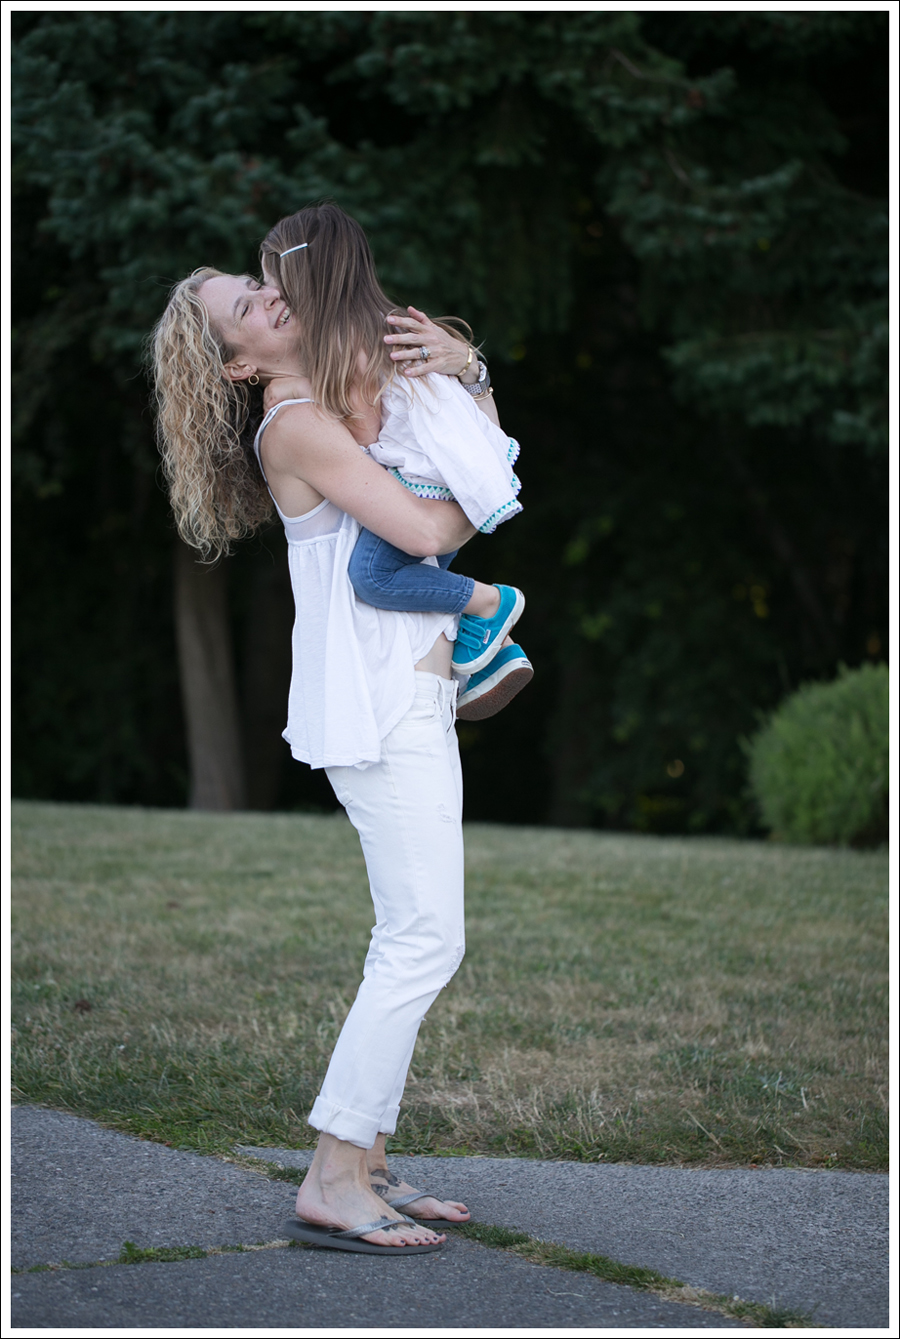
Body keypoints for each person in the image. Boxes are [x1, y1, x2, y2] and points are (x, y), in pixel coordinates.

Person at [151, 206, 522, 1254]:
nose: (270, 294)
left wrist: (466, 371)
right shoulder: (296, 423)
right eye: (246, 303)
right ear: (236, 363)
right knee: (425, 938)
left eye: (262, 282)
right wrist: (488, 485)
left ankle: (369, 1164)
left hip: (404, 689)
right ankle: (331, 1172)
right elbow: (428, 526)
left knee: (408, 931)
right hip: (376, 701)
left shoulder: (335, 402)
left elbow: (460, 459)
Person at [258, 207, 533, 720]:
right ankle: (483, 656)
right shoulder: (381, 324)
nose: (272, 296)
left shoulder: (347, 345)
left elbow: (364, 430)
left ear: (299, 275)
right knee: (419, 576)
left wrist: (296, 390)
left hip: (427, 474)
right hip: (455, 465)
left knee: (372, 576)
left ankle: (492, 604)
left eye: (272, 281)